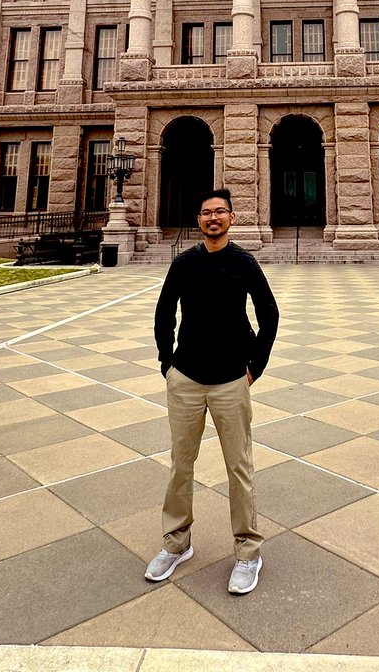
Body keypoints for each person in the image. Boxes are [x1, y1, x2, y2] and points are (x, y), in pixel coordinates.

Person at [145, 188, 279, 595]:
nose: (213, 218)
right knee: (180, 465)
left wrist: (255, 366)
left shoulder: (243, 261)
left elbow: (269, 312)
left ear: (232, 218)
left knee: (239, 467)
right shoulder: (184, 263)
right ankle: (176, 543)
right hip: (186, 378)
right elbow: (164, 312)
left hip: (230, 380)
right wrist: (167, 363)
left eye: (220, 211)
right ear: (198, 219)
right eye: (206, 212)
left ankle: (247, 551)